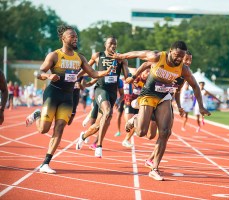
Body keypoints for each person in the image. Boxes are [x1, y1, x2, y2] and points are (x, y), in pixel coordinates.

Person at [113, 41, 211, 181]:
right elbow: (138, 54)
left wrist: (201, 106)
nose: (178, 59)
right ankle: (135, 120)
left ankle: (155, 168)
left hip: (164, 97)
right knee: (141, 132)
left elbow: (195, 86)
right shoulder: (158, 57)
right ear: (170, 51)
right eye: (177, 55)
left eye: (181, 57)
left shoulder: (183, 69)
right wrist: (121, 56)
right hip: (149, 93)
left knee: (165, 132)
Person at [25, 25, 112, 174]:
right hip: (53, 93)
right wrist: (48, 76)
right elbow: (39, 72)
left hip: (67, 96)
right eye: (72, 36)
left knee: (59, 128)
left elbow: (92, 73)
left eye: (76, 36)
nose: (75, 38)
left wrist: (105, 72)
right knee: (43, 129)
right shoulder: (54, 55)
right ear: (63, 38)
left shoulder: (80, 58)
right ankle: (38, 115)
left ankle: (45, 163)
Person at [75, 36, 129, 158]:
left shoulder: (121, 59)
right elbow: (86, 68)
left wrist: (132, 77)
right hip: (101, 89)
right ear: (105, 45)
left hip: (112, 93)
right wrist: (76, 77)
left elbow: (127, 76)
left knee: (99, 125)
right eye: (110, 44)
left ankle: (83, 136)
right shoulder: (98, 55)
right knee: (108, 110)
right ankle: (99, 146)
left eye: (115, 44)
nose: (113, 46)